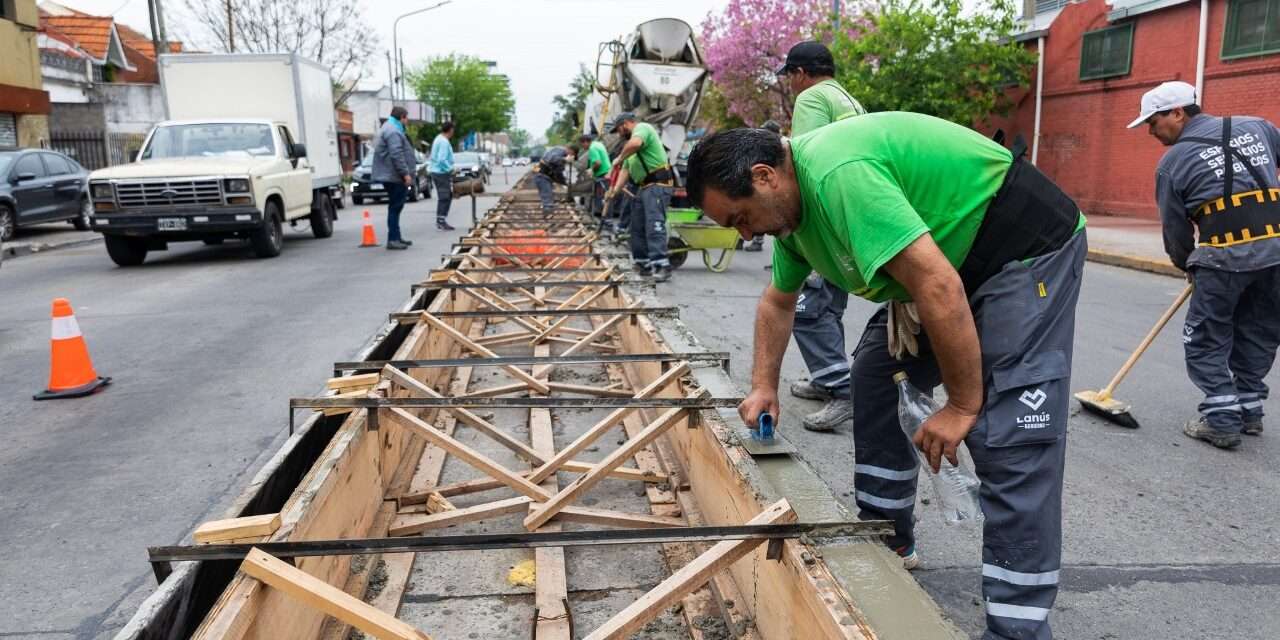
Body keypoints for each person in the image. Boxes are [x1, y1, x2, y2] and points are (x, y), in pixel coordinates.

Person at [687, 114, 1087, 640]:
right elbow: (778, 302)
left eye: (739, 218)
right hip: (945, 263)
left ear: (765, 177)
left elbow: (937, 285)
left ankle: (1018, 627)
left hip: (1020, 249)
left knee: (1010, 432)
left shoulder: (838, 176)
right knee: (878, 376)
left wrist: (962, 407)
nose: (744, 234)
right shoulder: (789, 218)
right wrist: (763, 385)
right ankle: (888, 538)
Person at [1127, 81, 1280, 450]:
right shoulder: (1259, 127)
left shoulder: (1172, 163)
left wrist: (1186, 264)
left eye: (1153, 121)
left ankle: (1222, 420)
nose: (1149, 130)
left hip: (1222, 259)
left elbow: (1176, 231)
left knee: (1204, 340)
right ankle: (1249, 409)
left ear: (1178, 113)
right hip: (1276, 254)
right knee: (1258, 332)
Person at [776, 40, 867, 433]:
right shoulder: (847, 98)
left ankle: (840, 389)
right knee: (829, 306)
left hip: (827, 219)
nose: (791, 85)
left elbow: (806, 162)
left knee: (808, 308)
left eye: (790, 77)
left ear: (800, 73)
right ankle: (826, 376)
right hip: (853, 214)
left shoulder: (812, 97)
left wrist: (806, 237)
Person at [608, 112, 674, 282]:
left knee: (654, 224)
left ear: (626, 124)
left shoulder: (642, 128)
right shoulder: (631, 151)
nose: (619, 134)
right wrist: (614, 191)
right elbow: (625, 171)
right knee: (636, 227)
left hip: (658, 185)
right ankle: (642, 264)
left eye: (619, 130)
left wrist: (619, 157)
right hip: (643, 187)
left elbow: (635, 143)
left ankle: (661, 265)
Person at [371, 106, 416, 250]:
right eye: (406, 118)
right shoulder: (393, 131)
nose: (407, 121)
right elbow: (396, 154)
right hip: (394, 176)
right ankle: (393, 239)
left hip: (391, 175)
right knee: (395, 207)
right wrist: (405, 174)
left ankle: (396, 236)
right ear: (402, 117)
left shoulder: (389, 127)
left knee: (396, 207)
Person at [430, 122, 456, 231]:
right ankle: (440, 221)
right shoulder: (444, 142)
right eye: (453, 130)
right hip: (440, 172)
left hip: (437, 171)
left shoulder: (439, 138)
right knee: (444, 196)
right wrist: (450, 169)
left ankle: (442, 219)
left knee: (447, 196)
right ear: (450, 130)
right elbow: (442, 159)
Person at [581, 133, 613, 218]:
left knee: (603, 198)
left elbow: (598, 163)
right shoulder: (598, 144)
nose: (583, 147)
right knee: (606, 197)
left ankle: (606, 220)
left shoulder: (592, 148)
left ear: (585, 142)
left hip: (602, 175)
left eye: (582, 145)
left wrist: (591, 170)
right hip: (607, 173)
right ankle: (605, 218)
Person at [534, 145, 571, 213]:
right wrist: (564, 159)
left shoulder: (562, 156)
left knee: (549, 196)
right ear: (569, 150)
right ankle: (547, 214)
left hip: (545, 176)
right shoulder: (560, 150)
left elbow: (559, 174)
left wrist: (566, 184)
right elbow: (552, 159)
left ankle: (548, 213)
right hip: (542, 176)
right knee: (547, 198)